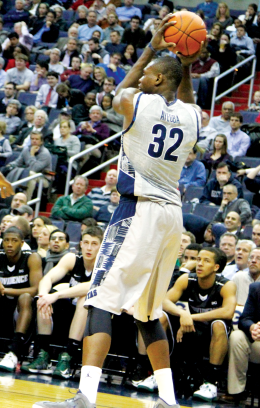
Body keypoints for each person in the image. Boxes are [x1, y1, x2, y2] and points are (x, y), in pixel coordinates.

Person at [33, 13, 201, 408]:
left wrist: (149, 50)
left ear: (158, 80)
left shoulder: (140, 103)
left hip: (137, 211)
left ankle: (84, 398)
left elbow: (115, 95)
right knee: (147, 313)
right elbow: (188, 97)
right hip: (170, 217)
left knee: (99, 300)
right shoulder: (191, 116)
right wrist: (187, 65)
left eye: (148, 76)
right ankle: (168, 400)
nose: (140, 78)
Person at [23, 227, 103, 379]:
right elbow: (47, 278)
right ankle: (43, 355)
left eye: (94, 244)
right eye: (86, 243)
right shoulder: (72, 259)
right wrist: (44, 295)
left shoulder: (105, 265)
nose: (89, 247)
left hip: (98, 313)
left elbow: (91, 287)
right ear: (80, 244)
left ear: (101, 246)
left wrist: (57, 295)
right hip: (71, 309)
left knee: (84, 300)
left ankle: (68, 357)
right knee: (45, 299)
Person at [163, 247, 236, 401]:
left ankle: (211, 383)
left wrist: (191, 317)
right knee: (161, 317)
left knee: (218, 324)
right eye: (198, 259)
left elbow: (228, 312)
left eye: (206, 261)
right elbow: (164, 301)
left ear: (216, 267)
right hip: (191, 328)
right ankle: (157, 373)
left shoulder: (226, 285)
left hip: (212, 331)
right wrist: (183, 314)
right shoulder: (187, 279)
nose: (200, 264)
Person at [0, 226, 42, 372]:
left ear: (22, 243)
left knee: (25, 297)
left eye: (14, 240)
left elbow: (35, 289)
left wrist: (5, 290)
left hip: (24, 308)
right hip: (3, 305)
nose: (9, 244)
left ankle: (14, 352)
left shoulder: (31, 257)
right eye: (6, 240)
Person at [221, 268, 260, 403]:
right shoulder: (256, 288)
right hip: (258, 343)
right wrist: (253, 327)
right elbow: (244, 319)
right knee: (237, 336)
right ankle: (236, 391)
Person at [5, 131, 52, 200]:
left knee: (31, 174)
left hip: (44, 179)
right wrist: (10, 165)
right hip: (27, 174)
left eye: (37, 139)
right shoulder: (26, 150)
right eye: (32, 139)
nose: (34, 141)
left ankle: (25, 202)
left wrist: (32, 154)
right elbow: (18, 162)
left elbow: (34, 168)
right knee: (16, 171)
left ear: (41, 141)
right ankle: (7, 199)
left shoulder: (45, 153)